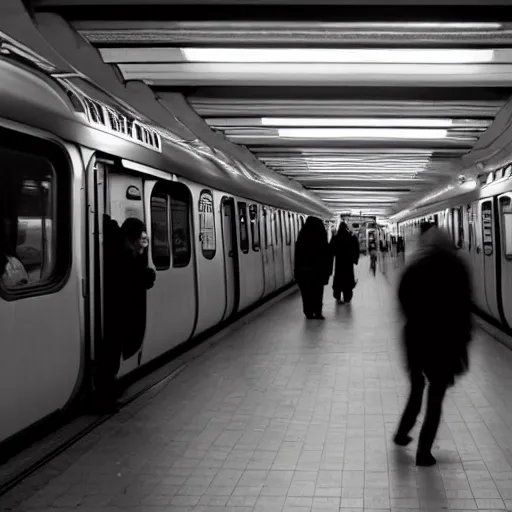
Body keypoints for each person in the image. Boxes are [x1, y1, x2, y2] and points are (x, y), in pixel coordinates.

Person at [393, 223, 472, 466]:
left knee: (417, 388)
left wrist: (415, 320)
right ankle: (423, 452)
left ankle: (401, 432)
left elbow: (402, 298)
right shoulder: (457, 267)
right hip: (444, 342)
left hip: (416, 338)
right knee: (435, 396)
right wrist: (463, 338)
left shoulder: (415, 267)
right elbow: (463, 307)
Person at [96, 216, 156, 411]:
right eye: (142, 238)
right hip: (115, 313)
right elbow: (127, 283)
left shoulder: (123, 250)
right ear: (132, 238)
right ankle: (105, 397)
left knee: (112, 353)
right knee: (111, 353)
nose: (144, 243)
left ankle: (107, 392)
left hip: (118, 312)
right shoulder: (121, 256)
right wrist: (145, 276)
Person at [294, 216, 331, 319]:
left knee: (306, 294)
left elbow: (297, 257)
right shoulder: (321, 238)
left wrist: (297, 272)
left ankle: (308, 312)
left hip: (303, 272)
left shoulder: (301, 237)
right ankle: (318, 312)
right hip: (318, 272)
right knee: (318, 293)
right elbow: (326, 256)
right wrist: (327, 272)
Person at [330, 221, 360, 304]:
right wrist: (355, 260)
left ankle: (337, 296)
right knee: (348, 281)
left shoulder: (335, 238)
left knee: (338, 280)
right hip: (348, 264)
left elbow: (330, 250)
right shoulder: (351, 238)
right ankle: (347, 297)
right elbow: (356, 249)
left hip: (339, 264)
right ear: (346, 228)